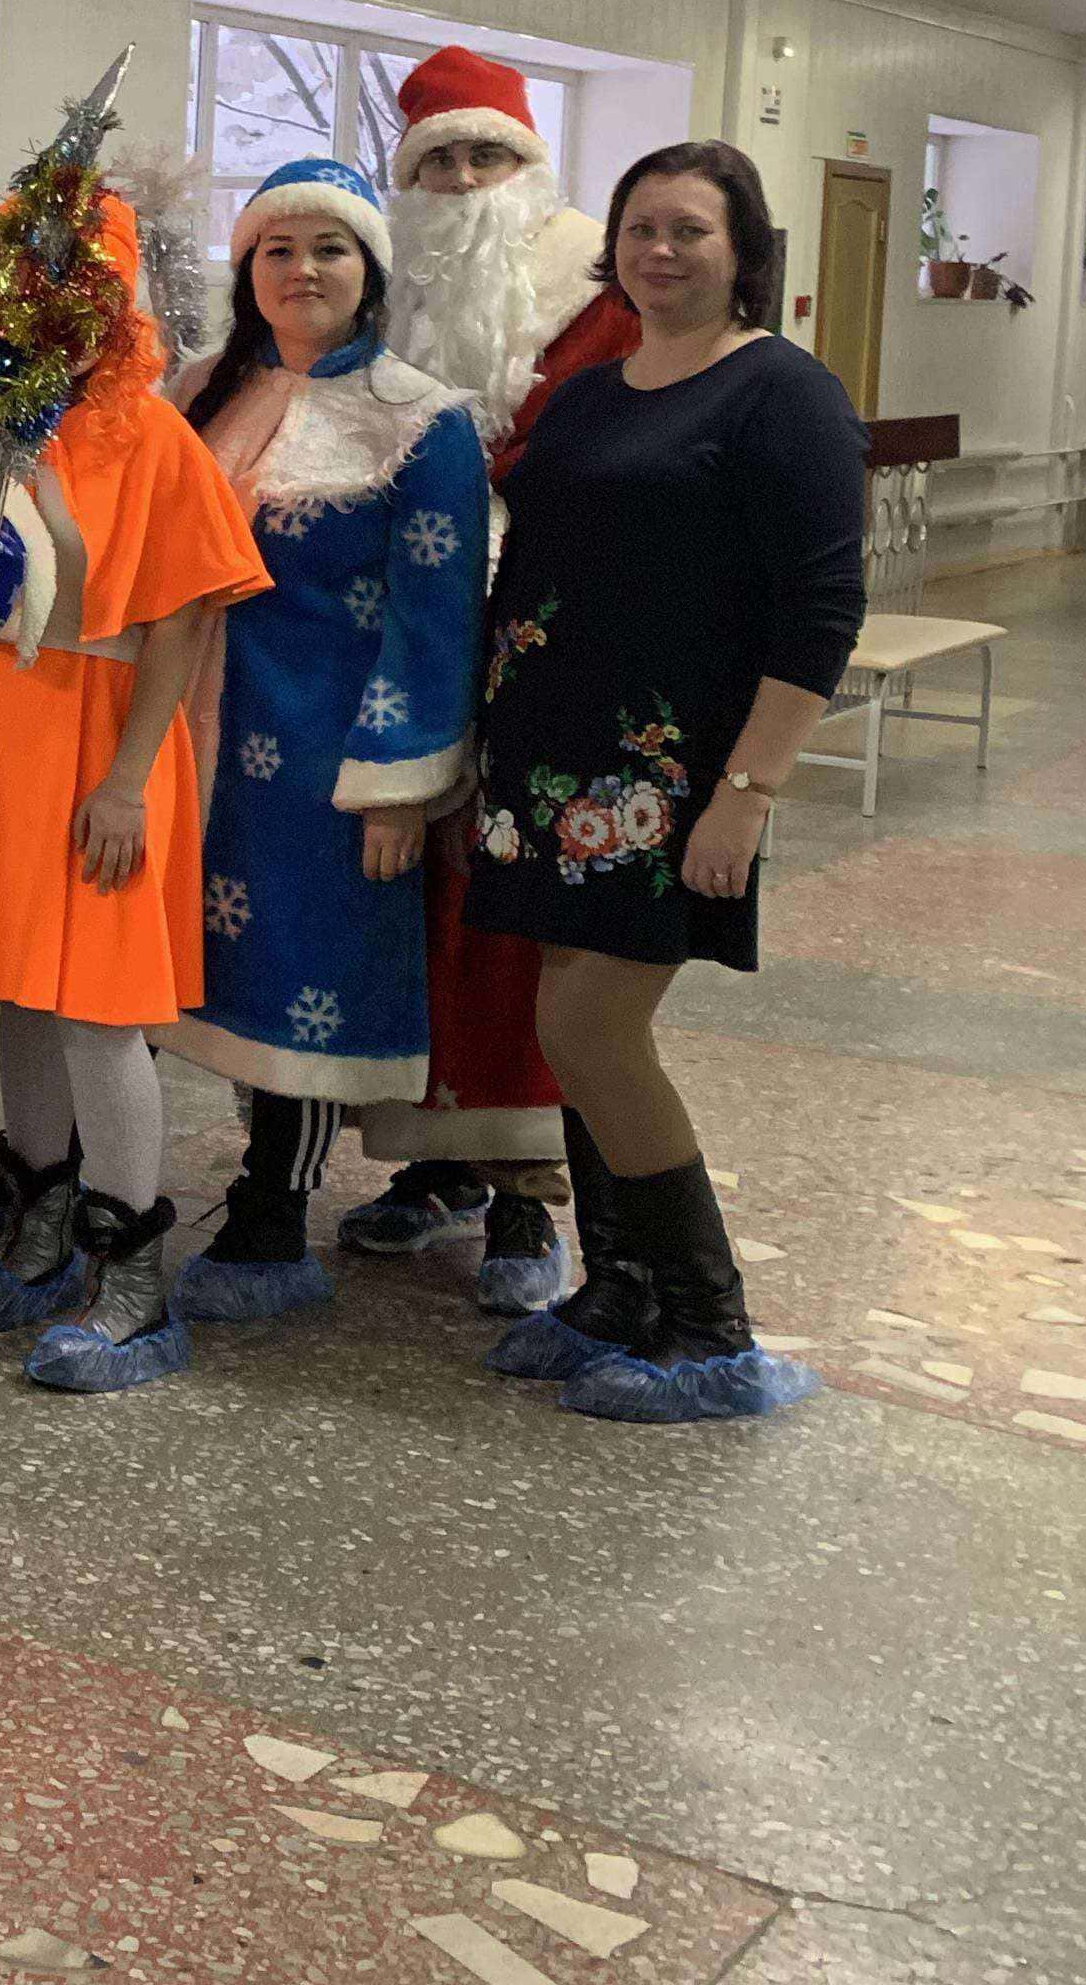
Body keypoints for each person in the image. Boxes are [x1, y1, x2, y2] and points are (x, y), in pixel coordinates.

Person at [466, 140, 862, 1422]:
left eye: (690, 229)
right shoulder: (589, 394)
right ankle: (620, 1289)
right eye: (641, 227)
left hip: (673, 774)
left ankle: (711, 1330)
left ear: (742, 251)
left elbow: (822, 607)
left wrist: (750, 789)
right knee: (566, 1022)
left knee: (593, 1029)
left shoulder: (782, 393)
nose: (660, 250)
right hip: (549, 764)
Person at [0, 185, 267, 1391]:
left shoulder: (157, 437)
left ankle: (132, 1278)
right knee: (26, 994)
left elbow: (183, 620)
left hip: (107, 740)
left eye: (86, 293)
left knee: (99, 1010)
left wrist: (129, 781)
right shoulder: (0, 428)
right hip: (9, 733)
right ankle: (40, 1219)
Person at [157, 163, 485, 1321]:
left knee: (306, 965)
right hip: (188, 736)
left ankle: (271, 1213)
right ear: (248, 269)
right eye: (278, 249)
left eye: (329, 248)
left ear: (370, 270)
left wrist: (399, 783)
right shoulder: (201, 392)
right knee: (193, 963)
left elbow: (436, 613)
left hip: (323, 753)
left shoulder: (421, 419)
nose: (303, 270)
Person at [346, 48, 638, 1298]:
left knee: (514, 916)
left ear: (530, 166)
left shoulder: (597, 301)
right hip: (405, 639)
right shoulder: (382, 294)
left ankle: (528, 1194)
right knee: (412, 905)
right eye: (439, 162)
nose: (464, 181)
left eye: (487, 155)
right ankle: (431, 1165)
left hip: (546, 643)